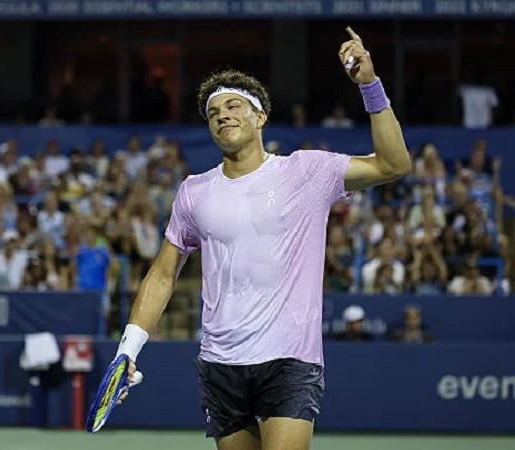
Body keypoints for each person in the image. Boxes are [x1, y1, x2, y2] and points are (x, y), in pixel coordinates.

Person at [114, 27, 411, 450]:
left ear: (260, 117)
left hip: (289, 358)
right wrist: (128, 350)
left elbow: (394, 165)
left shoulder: (307, 171)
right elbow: (163, 275)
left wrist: (369, 85)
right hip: (220, 363)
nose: (222, 115)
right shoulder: (194, 191)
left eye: (233, 105)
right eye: (213, 113)